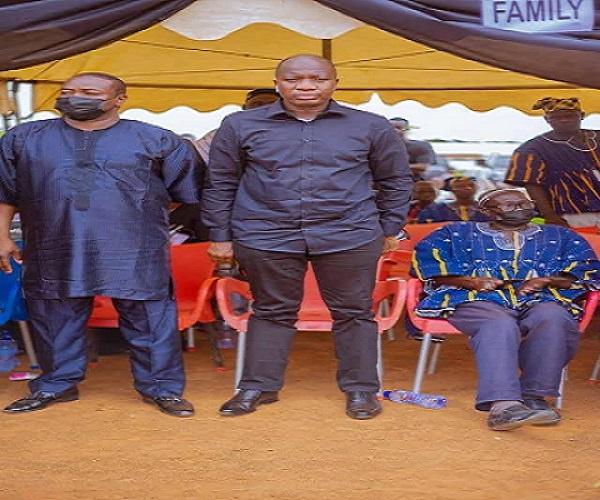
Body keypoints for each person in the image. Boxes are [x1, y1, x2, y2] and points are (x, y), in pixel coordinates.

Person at [202, 54, 412, 420]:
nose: (305, 86)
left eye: (317, 79)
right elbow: (220, 182)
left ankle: (362, 391)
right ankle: (258, 387)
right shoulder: (239, 125)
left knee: (354, 312)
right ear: (277, 82)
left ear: (334, 82)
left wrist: (390, 227)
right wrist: (221, 235)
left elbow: (396, 180)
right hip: (266, 232)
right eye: (294, 79)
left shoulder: (371, 126)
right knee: (270, 310)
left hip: (349, 232)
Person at [0, 73, 204, 417]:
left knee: (150, 319)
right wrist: (2, 234)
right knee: (53, 316)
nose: (74, 97)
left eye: (89, 92)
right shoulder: (24, 138)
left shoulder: (157, 139)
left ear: (119, 99)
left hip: (133, 245)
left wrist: (130, 208)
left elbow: (181, 193)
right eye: (67, 92)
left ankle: (161, 389)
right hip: (54, 242)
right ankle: (56, 385)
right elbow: (6, 191)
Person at [412, 188, 600, 431]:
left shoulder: (560, 235)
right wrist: (471, 281)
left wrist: (546, 280)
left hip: (541, 296)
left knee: (553, 318)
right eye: (510, 205)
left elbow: (585, 268)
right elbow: (429, 264)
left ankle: (533, 397)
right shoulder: (456, 232)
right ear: (486, 211)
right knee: (498, 323)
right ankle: (504, 406)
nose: (520, 208)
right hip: (474, 296)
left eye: (525, 203)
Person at [504, 97, 600, 228]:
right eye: (556, 117)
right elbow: (532, 185)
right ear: (546, 119)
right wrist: (550, 215)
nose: (564, 120)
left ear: (582, 115)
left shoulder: (597, 137)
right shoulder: (532, 149)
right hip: (574, 214)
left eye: (570, 115)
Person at [194, 88, 280, 163]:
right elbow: (197, 157)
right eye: (257, 104)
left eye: (271, 104)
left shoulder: (291, 133)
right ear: (244, 108)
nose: (263, 109)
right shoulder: (224, 134)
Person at [417, 177, 490, 223]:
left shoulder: (487, 209)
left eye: (470, 185)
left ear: (477, 188)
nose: (465, 188)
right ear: (452, 189)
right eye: (459, 186)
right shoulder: (435, 209)